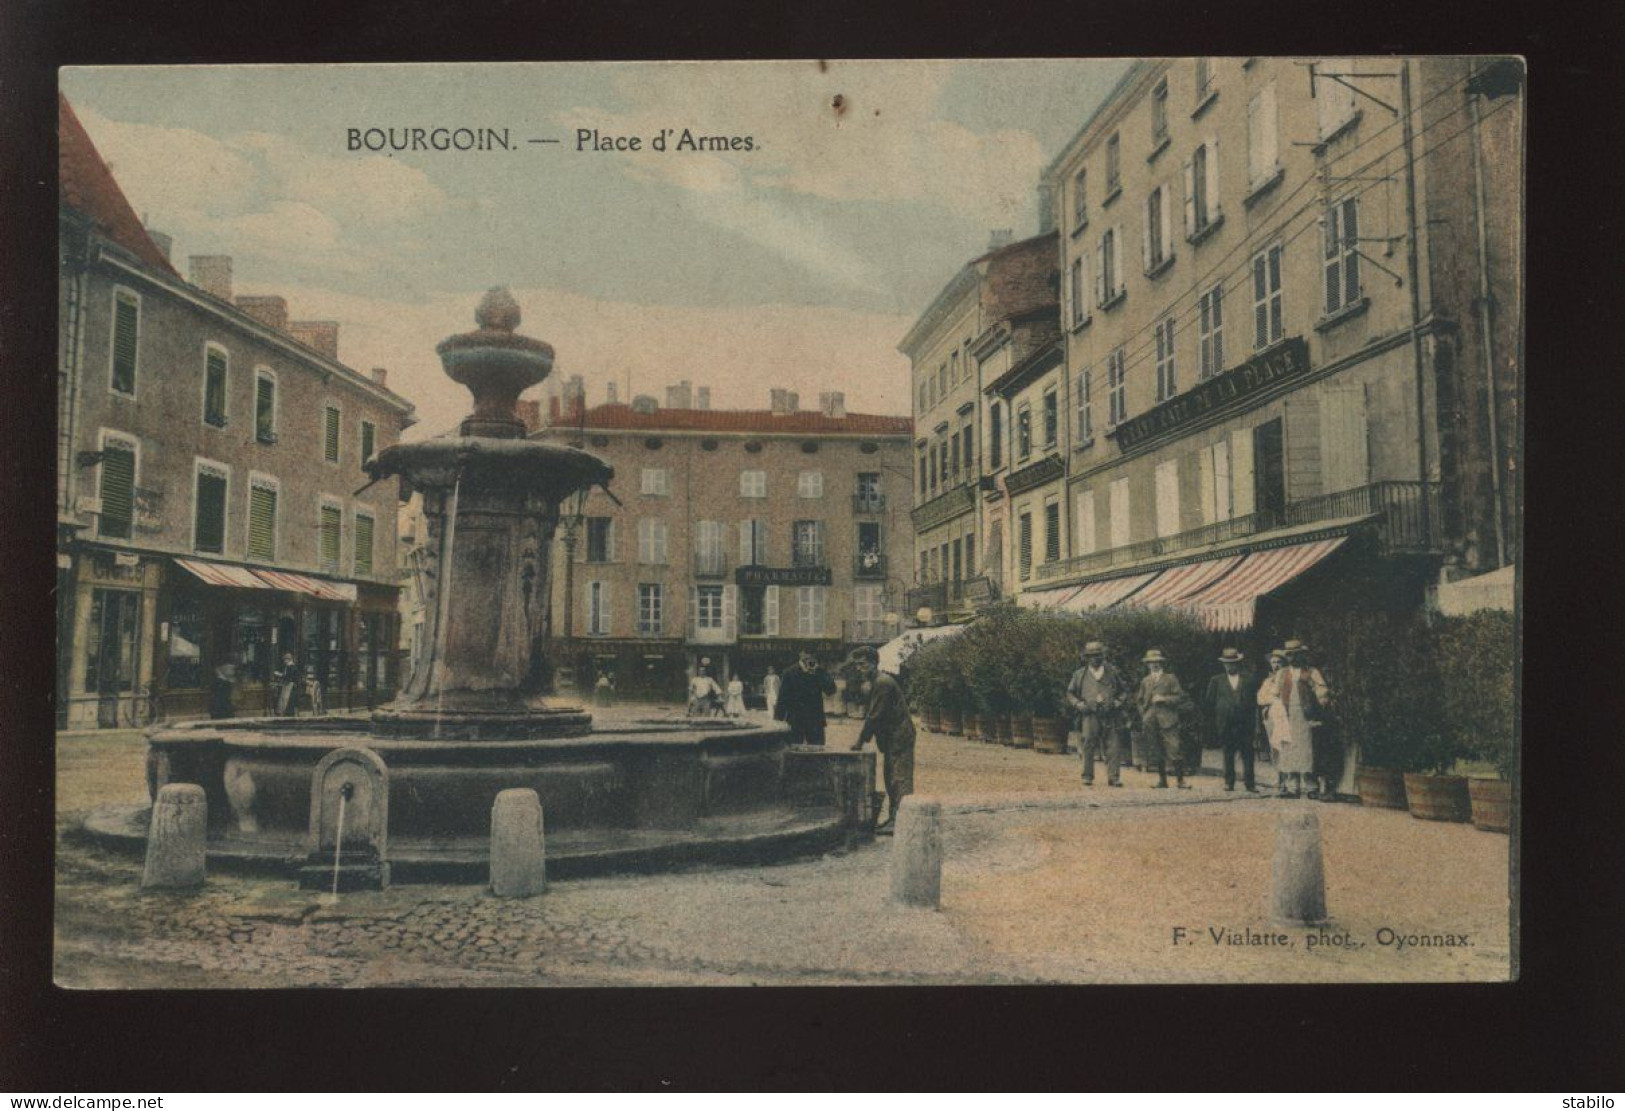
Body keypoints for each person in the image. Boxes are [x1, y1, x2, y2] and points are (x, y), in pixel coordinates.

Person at [847, 646, 916, 833]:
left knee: (899, 778)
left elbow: (874, 716)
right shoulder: (877, 682)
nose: (858, 669)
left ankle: (901, 821)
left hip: (899, 736)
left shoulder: (883, 682)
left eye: (862, 665)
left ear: (873, 663)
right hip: (893, 737)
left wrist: (860, 741)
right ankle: (895, 818)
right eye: (856, 665)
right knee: (890, 776)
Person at [1261, 639, 1328, 798]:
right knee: (1289, 750)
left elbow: (1321, 689)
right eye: (1289, 655)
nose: (1292, 658)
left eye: (1296, 655)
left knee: (1307, 751)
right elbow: (1274, 692)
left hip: (1306, 716)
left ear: (1302, 656)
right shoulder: (1282, 673)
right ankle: (1292, 787)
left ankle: (1311, 787)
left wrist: (1321, 701)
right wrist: (1270, 704)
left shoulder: (1311, 672)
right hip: (1286, 716)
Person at [1065, 640, 1130, 787]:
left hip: (1111, 715)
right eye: (1092, 655)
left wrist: (1117, 703)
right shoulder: (1079, 674)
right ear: (1087, 657)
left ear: (1103, 655)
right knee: (1088, 743)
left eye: (1098, 655)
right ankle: (1087, 776)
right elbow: (1070, 693)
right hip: (1090, 715)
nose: (1096, 658)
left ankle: (1114, 777)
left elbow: (1124, 691)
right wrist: (1078, 704)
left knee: (1113, 745)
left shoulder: (1113, 672)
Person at [1205, 648, 1260, 793]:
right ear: (1223, 665)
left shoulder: (1249, 679)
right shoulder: (1216, 680)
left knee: (1247, 753)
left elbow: (1255, 702)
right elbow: (1210, 702)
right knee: (1228, 753)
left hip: (1245, 723)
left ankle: (1250, 783)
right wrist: (1217, 721)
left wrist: (1255, 724)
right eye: (1227, 664)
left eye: (1233, 663)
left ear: (1238, 664)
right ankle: (1229, 782)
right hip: (1225, 723)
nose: (1230, 666)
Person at [1137, 649, 1193, 789]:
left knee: (1174, 749)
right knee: (1156, 750)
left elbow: (1180, 697)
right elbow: (1139, 700)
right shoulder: (1146, 681)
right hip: (1151, 720)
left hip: (1168, 720)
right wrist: (1144, 714)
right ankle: (1162, 780)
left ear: (1161, 663)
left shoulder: (1170, 678)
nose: (1154, 665)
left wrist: (1164, 699)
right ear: (1147, 664)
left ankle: (1180, 780)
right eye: (1151, 662)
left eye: (1157, 662)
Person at [774, 650, 836, 745]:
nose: (809, 656)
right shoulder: (789, 672)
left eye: (812, 653)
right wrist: (778, 719)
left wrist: (819, 672)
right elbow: (783, 697)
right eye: (806, 653)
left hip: (815, 720)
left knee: (818, 752)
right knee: (794, 751)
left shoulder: (819, 671)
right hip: (795, 720)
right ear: (800, 654)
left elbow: (831, 690)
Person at [1259, 649, 1288, 791]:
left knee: (1286, 746)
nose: (1275, 665)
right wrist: (1274, 699)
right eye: (1273, 663)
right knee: (1274, 747)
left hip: (1286, 716)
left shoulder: (1288, 678)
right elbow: (1260, 698)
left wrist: (1272, 699)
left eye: (1279, 662)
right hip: (1271, 717)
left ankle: (1287, 780)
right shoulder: (1267, 681)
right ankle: (1278, 776)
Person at [274, 652, 301, 717]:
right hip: (289, 684)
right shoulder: (291, 667)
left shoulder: (290, 667)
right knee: (285, 698)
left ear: (288, 660)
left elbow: (287, 676)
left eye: (285, 660)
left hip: (289, 685)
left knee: (286, 698)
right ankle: (285, 711)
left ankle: (285, 712)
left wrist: (279, 674)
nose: (284, 661)